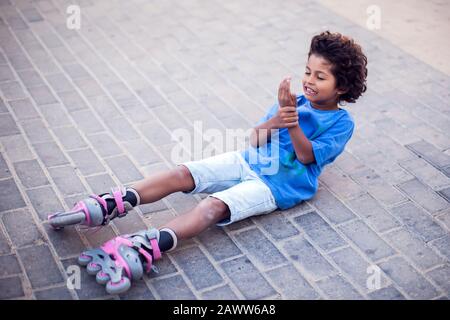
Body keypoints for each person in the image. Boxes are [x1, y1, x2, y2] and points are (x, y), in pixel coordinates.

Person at [51, 31, 368, 294]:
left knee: (211, 207)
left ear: (341, 87)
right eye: (307, 72)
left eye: (320, 76)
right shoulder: (292, 102)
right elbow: (256, 138)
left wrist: (293, 122)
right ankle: (117, 200)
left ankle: (145, 245)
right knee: (183, 173)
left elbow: (306, 156)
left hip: (276, 187)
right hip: (248, 161)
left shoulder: (341, 123)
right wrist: (279, 117)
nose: (309, 81)